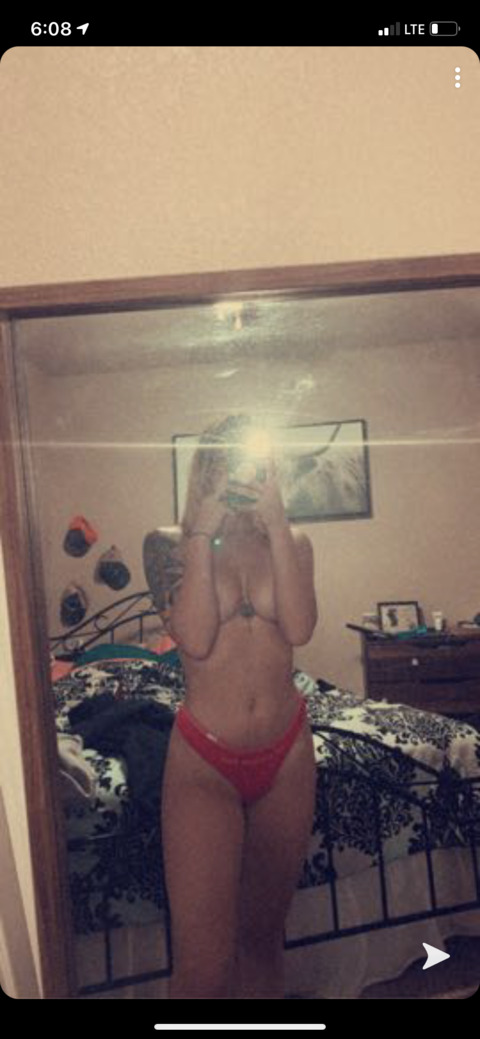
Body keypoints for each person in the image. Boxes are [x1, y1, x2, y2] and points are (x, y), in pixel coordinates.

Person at [143, 414, 318, 999]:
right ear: (207, 469)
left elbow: (299, 627)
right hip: (204, 762)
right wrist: (202, 533)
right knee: (203, 965)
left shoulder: (293, 542)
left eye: (252, 460)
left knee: (263, 941)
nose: (241, 472)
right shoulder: (168, 544)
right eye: (227, 461)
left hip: (287, 751)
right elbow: (194, 639)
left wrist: (276, 521)